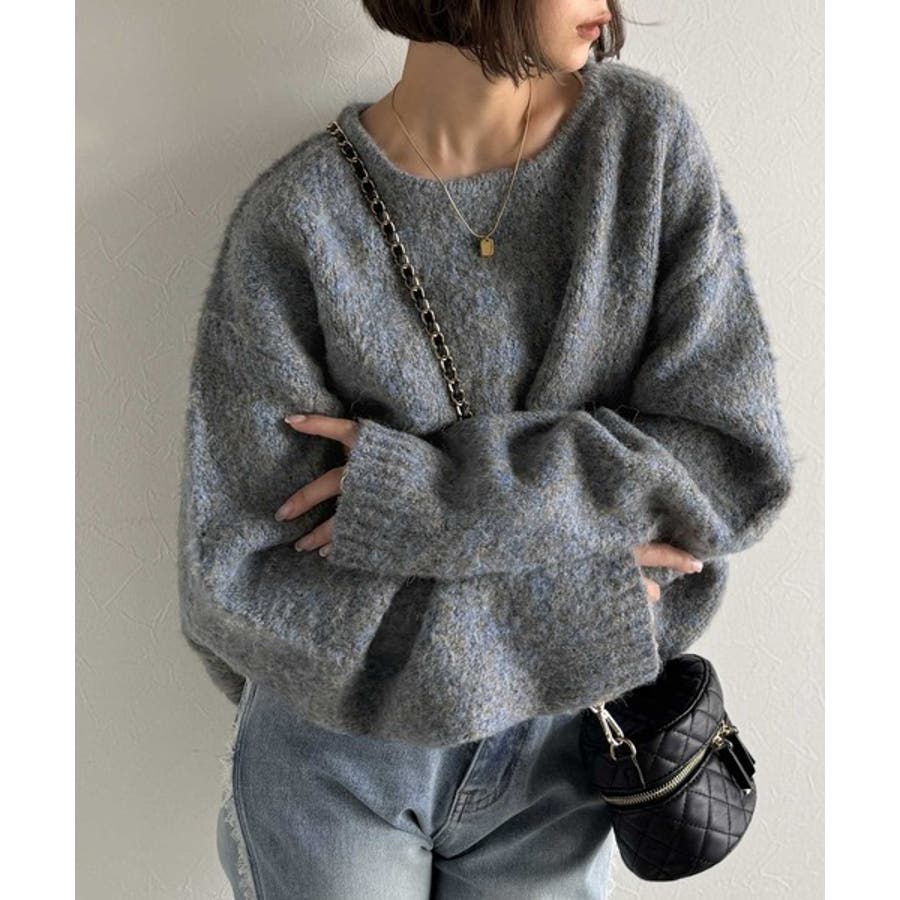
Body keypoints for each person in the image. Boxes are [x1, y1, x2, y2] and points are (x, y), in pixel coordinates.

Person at [177, 2, 796, 897]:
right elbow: (242, 579)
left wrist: (433, 501)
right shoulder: (299, 221)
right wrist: (571, 596)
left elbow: (728, 465)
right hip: (340, 754)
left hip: (569, 745)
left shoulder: (641, 150)